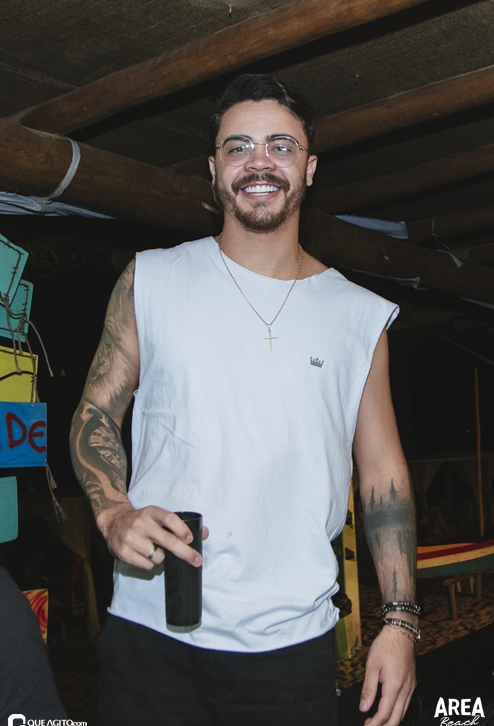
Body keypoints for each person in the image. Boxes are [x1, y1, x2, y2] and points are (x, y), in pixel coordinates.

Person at [70, 73, 418, 726]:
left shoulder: (359, 316)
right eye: (238, 147)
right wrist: (112, 511)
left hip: (291, 648)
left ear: (309, 168)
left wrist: (399, 622)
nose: (260, 163)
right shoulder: (152, 279)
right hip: (153, 633)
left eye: (281, 146)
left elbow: (383, 475)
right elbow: (94, 413)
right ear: (213, 170)